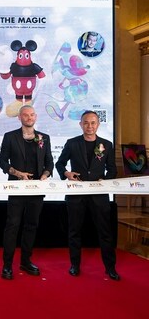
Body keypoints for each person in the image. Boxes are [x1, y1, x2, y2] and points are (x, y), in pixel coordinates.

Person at [56, 110, 119, 280]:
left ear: (98, 124)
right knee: (74, 231)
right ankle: (75, 265)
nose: (89, 126)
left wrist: (105, 181)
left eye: (93, 123)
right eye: (86, 123)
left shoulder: (106, 144)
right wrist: (67, 173)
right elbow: (60, 164)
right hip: (76, 195)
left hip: (99, 196)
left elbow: (112, 169)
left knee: (105, 233)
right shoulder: (72, 143)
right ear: (80, 124)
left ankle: (110, 268)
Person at [0, 105, 53, 280]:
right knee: (12, 226)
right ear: (19, 117)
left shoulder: (44, 138)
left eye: (32, 115)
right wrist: (17, 173)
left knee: (31, 225)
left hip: (36, 190)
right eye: (25, 115)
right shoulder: (10, 137)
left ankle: (25, 261)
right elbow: (2, 162)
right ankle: (7, 265)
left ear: (35, 117)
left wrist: (45, 175)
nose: (29, 118)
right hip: (16, 188)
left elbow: (49, 163)